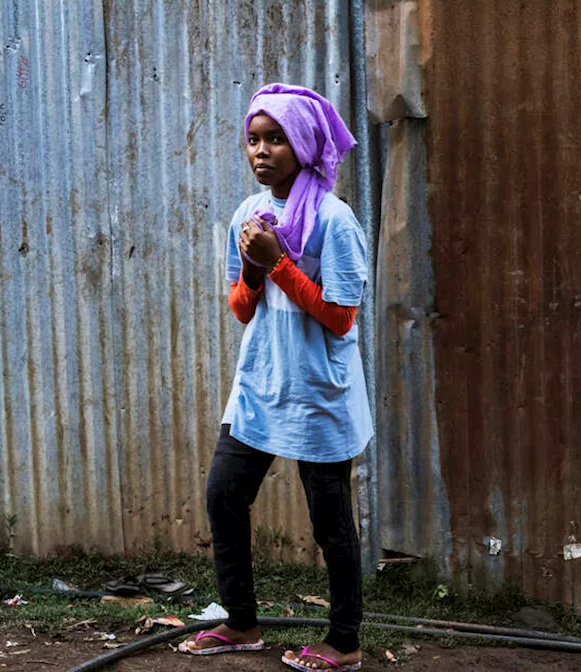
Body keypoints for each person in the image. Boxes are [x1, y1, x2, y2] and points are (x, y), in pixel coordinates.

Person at [178, 83, 371, 672]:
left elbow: (340, 317)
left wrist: (279, 261)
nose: (260, 151)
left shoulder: (335, 221)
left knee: (331, 523)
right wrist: (256, 268)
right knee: (224, 495)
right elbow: (241, 307)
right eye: (253, 140)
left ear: (306, 143)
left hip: (318, 391)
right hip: (262, 383)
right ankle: (240, 623)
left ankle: (344, 641)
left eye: (275, 138)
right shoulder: (249, 213)